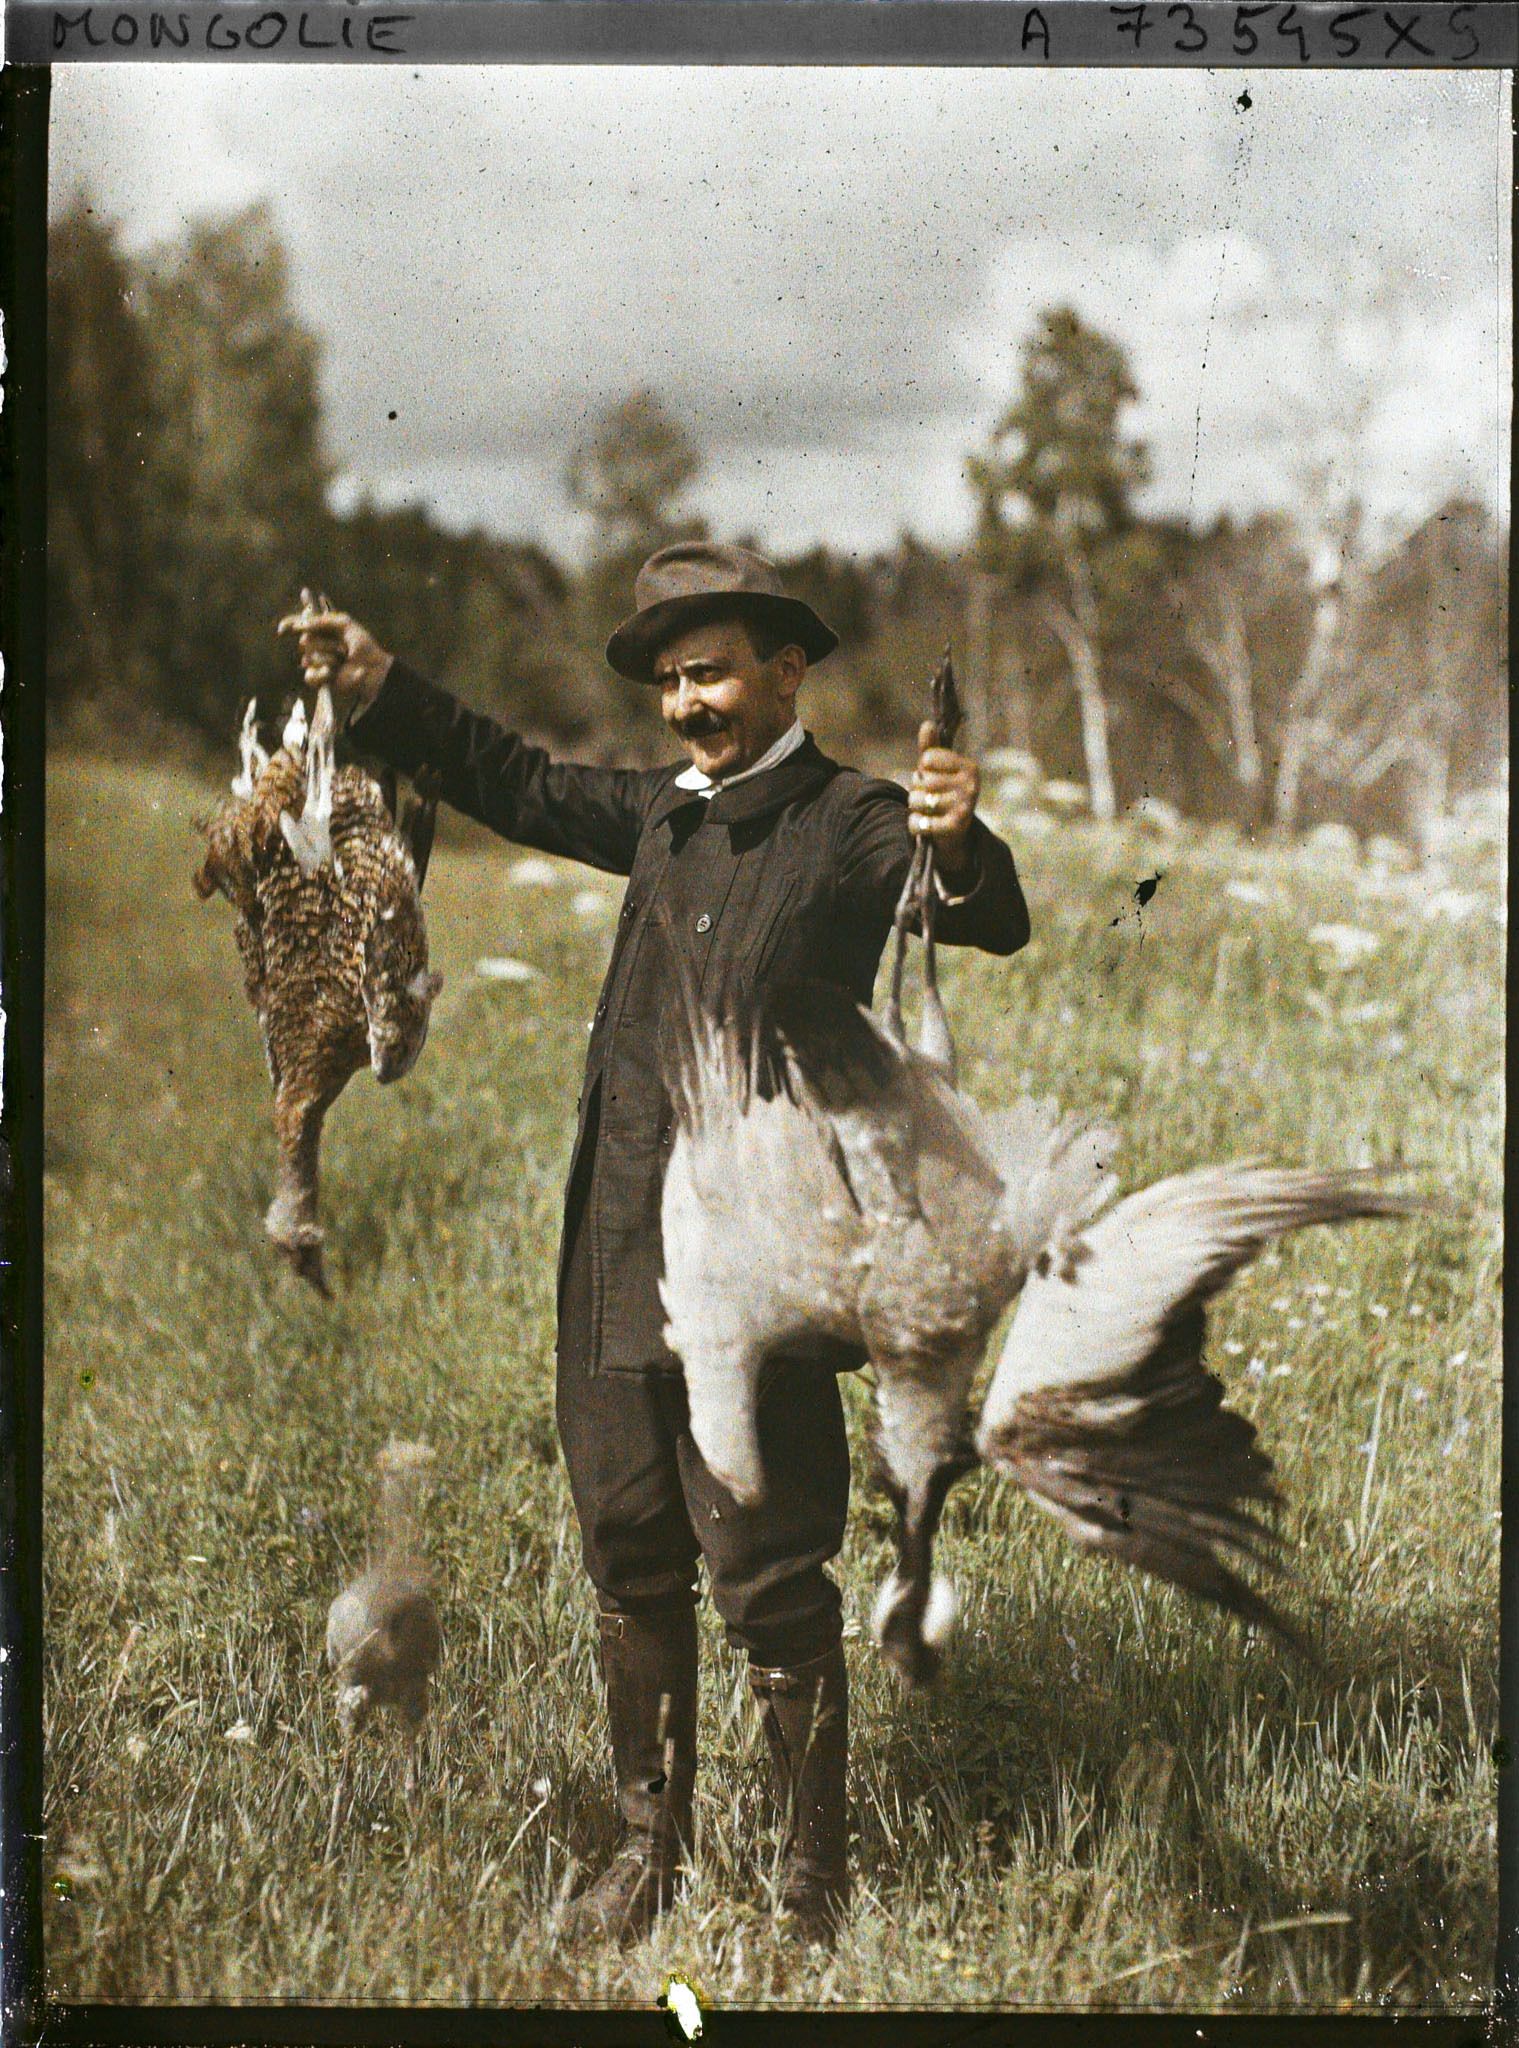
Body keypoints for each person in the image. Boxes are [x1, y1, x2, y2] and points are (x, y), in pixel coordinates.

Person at [284, 541, 1031, 1946]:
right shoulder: (657, 818)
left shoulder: (855, 818)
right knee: (629, 1548)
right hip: (613, 1247)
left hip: (757, 1273)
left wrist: (958, 836)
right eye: (674, 680)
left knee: (767, 1565)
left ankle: (810, 1885)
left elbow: (979, 912)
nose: (690, 703)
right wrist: (381, 685)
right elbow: (509, 776)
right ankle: (649, 1851)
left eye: (716, 672)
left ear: (788, 670)